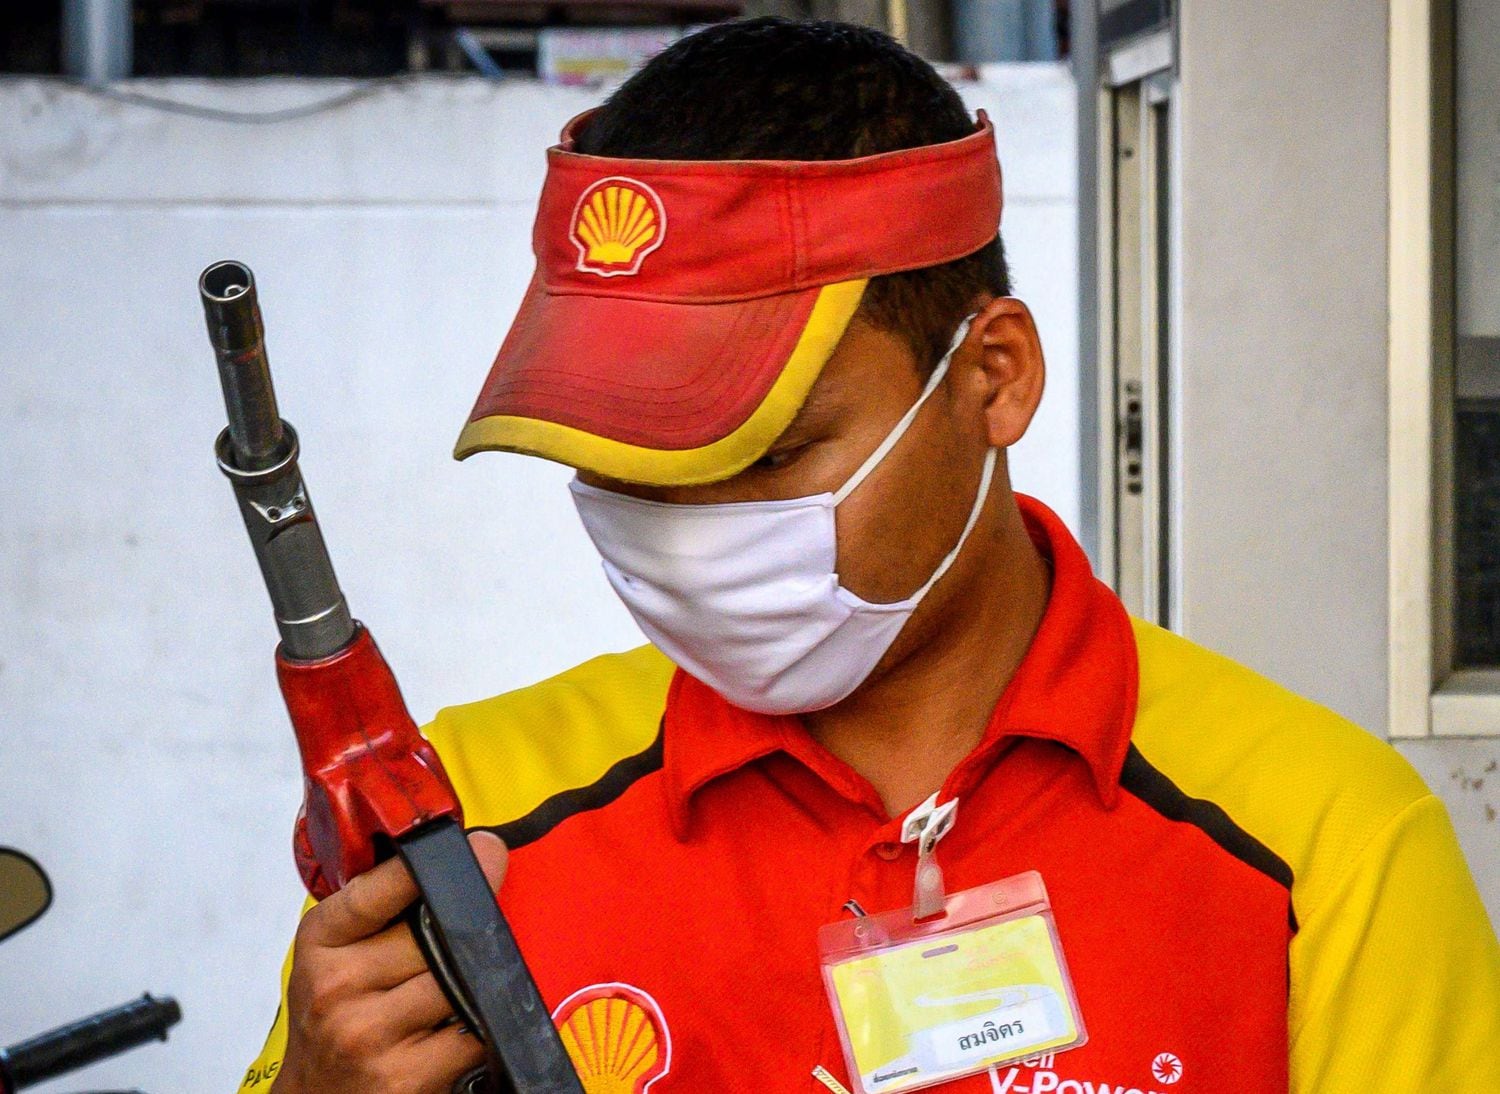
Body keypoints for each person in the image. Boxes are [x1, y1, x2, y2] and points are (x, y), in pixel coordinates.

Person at [240, 18, 1500, 1094]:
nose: (688, 533)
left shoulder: (1323, 848)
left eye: (767, 455)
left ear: (993, 377)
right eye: (627, 467)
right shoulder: (472, 821)